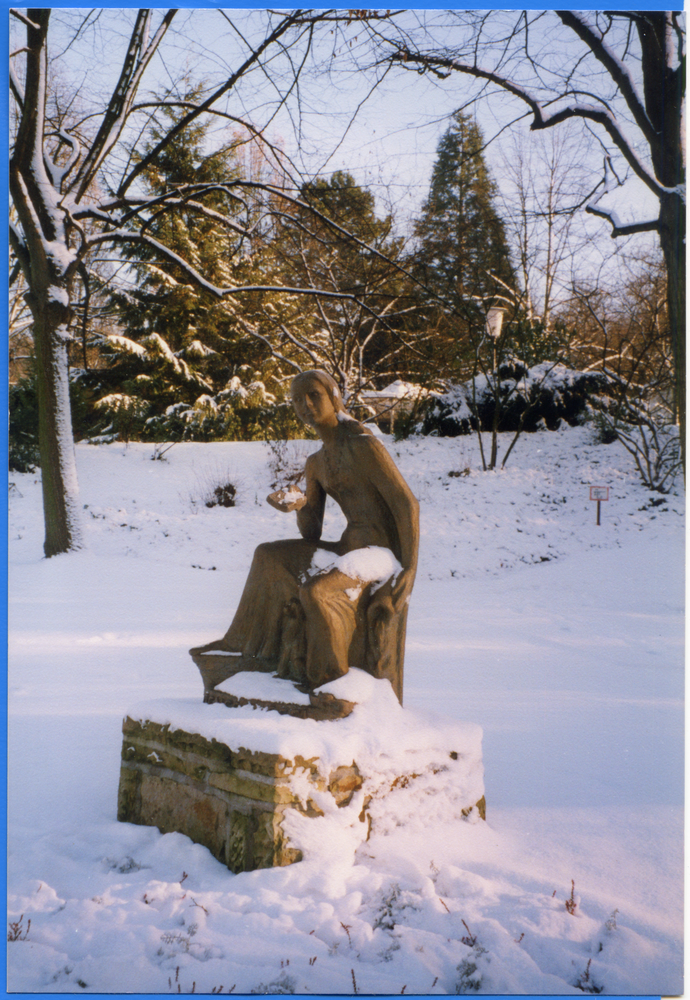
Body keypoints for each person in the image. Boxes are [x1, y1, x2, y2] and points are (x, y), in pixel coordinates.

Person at [192, 370, 419, 699]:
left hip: (378, 555)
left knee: (316, 592)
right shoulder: (317, 463)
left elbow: (407, 505)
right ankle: (243, 649)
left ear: (333, 397)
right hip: (347, 549)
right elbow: (312, 532)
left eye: (314, 395)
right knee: (267, 555)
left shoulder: (363, 445)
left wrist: (409, 568)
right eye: (297, 400)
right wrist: (299, 505)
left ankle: (331, 682)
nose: (306, 404)